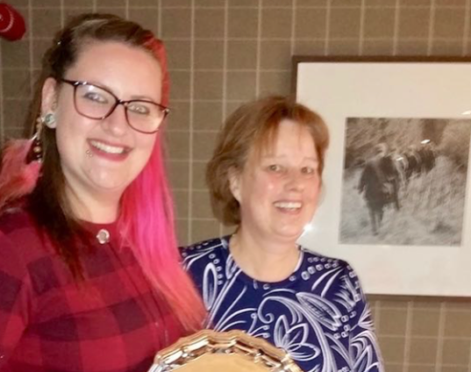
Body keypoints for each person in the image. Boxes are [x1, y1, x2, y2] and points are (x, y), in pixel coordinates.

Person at [0, 13, 205, 371]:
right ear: (51, 102)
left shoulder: (141, 244)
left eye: (140, 108)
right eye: (95, 96)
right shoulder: (12, 249)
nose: (117, 125)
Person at [182, 96, 384, 372]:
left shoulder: (337, 282)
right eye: (275, 167)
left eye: (307, 170)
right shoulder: (183, 274)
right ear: (235, 181)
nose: (296, 184)